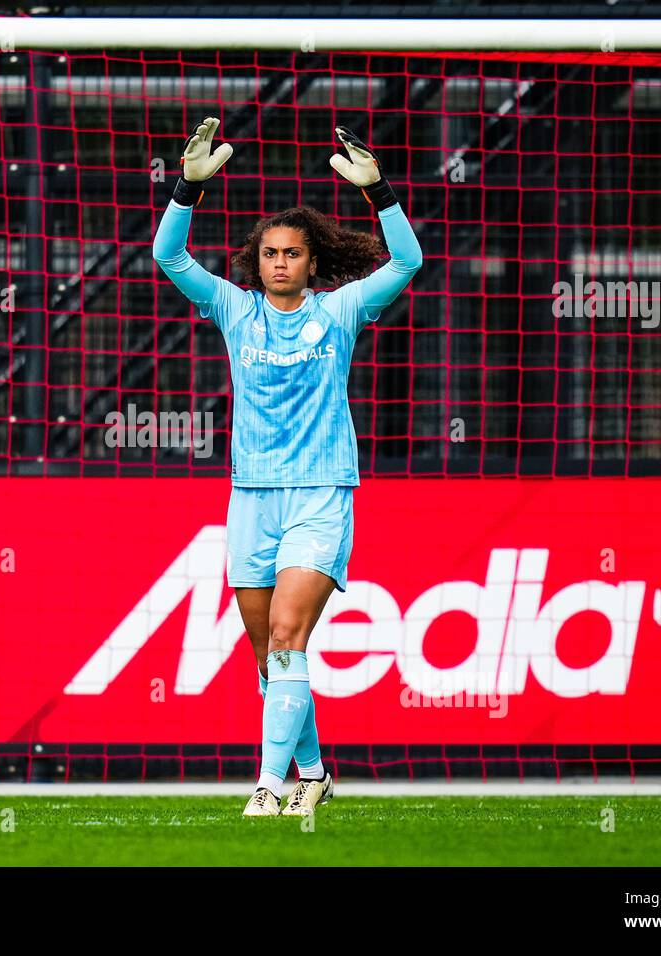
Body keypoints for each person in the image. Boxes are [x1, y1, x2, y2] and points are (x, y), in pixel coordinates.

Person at [151, 117, 423, 816]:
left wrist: (380, 192)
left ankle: (270, 788)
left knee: (286, 638)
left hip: (320, 495)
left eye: (292, 253)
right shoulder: (234, 311)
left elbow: (407, 264)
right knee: (269, 657)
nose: (279, 263)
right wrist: (188, 187)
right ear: (257, 259)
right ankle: (312, 769)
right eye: (269, 252)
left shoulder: (341, 313)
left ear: (310, 262)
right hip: (250, 499)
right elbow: (169, 257)